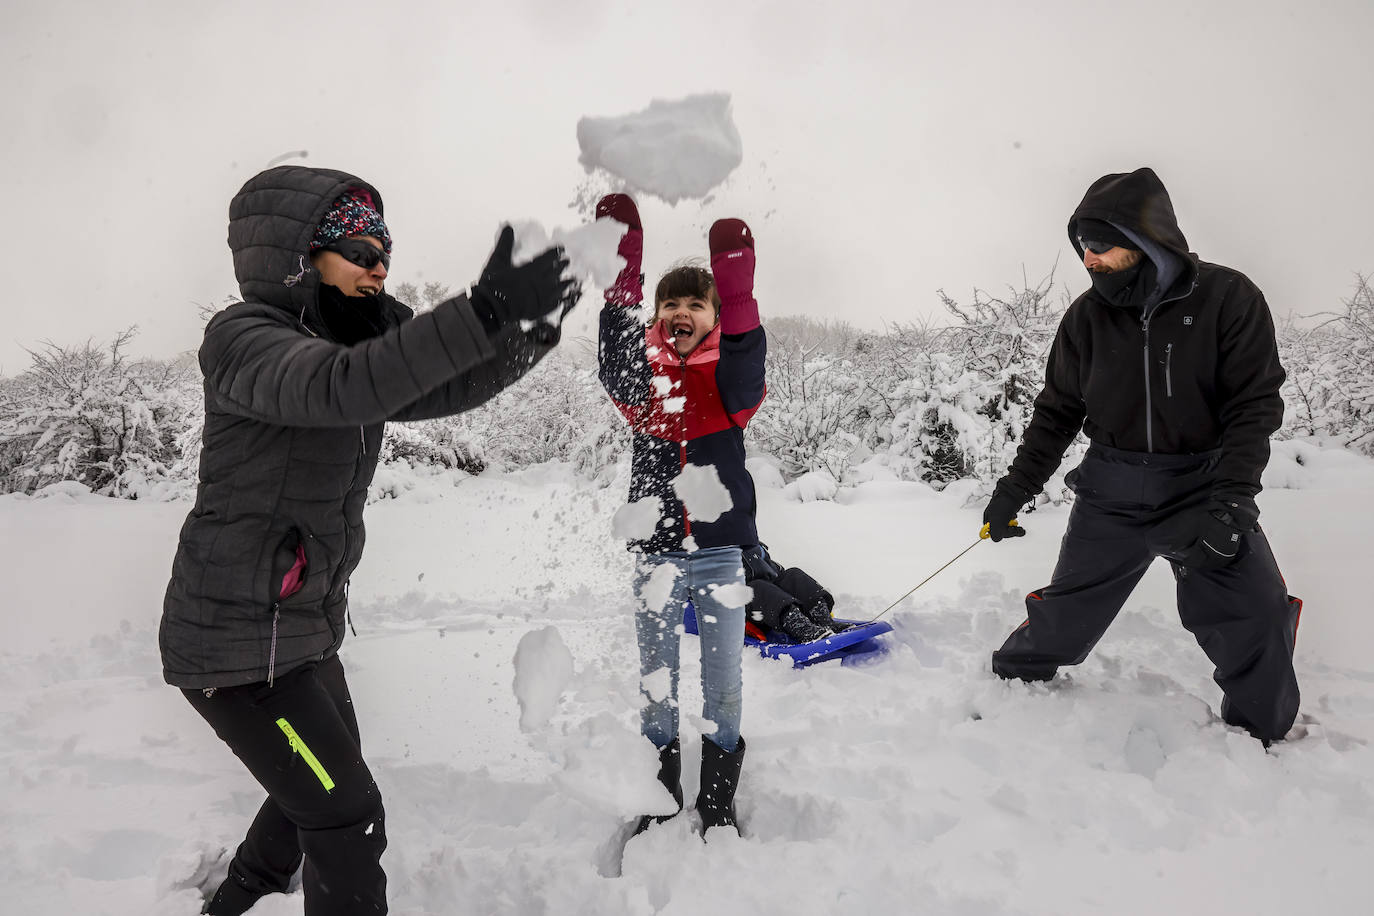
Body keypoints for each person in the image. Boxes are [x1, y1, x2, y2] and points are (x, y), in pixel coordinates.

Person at [160, 165, 580, 915]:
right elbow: (344, 387)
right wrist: (480, 310)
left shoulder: (357, 341)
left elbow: (440, 385)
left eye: (385, 252)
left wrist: (529, 332)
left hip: (300, 633)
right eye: (357, 248)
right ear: (299, 258)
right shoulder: (245, 341)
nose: (378, 266)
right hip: (236, 646)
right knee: (346, 817)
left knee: (317, 789)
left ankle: (241, 897)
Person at [982, 166, 1301, 744]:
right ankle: (1011, 684)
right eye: (1082, 246)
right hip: (1112, 488)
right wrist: (1015, 490)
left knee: (1256, 616)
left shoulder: (1229, 298)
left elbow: (1254, 406)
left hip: (1202, 484)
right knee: (1067, 613)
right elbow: (1056, 413)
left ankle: (1263, 740)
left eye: (1102, 244)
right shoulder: (1085, 318)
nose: (1090, 258)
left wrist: (1231, 504)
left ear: (1145, 241)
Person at [595, 193, 766, 837]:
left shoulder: (727, 385)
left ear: (714, 315)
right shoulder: (646, 387)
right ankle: (661, 797)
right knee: (656, 685)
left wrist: (738, 286)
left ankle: (717, 804)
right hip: (656, 554)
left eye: (696, 303)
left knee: (722, 686)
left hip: (721, 552)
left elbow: (748, 356)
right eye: (670, 303)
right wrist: (622, 267)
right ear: (657, 316)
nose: (681, 313)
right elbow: (615, 354)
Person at [741, 543, 847, 642]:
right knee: (758, 587)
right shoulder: (725, 554)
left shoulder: (753, 546)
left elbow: (775, 570)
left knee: (793, 575)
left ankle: (823, 620)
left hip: (774, 606)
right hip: (745, 612)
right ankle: (802, 628)